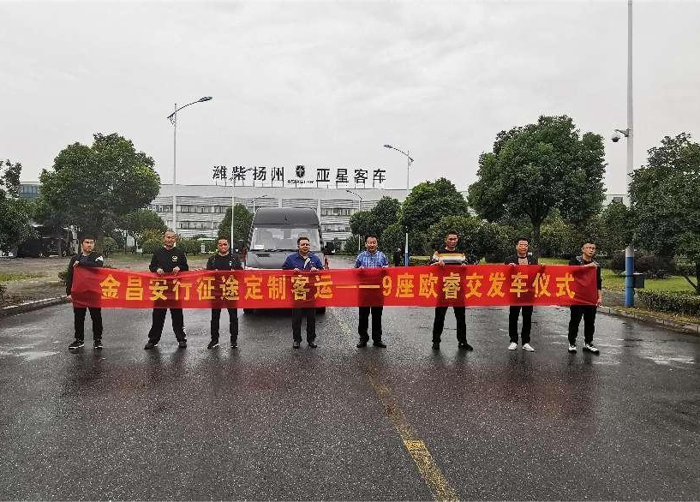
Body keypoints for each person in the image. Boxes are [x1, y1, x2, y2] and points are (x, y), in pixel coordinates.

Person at [430, 231, 477, 351]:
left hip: (458, 288)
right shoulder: (439, 253)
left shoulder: (461, 253)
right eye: (450, 239)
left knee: (461, 317)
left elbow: (467, 267)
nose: (452, 241)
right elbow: (429, 266)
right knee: (439, 316)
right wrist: (437, 263)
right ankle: (436, 341)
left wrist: (464, 267)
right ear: (446, 240)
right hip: (443, 288)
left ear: (457, 240)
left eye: (455, 239)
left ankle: (462, 341)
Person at [144, 230, 189, 350]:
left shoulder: (179, 253)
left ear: (175, 239)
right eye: (167, 237)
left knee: (177, 316)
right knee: (158, 316)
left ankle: (181, 339)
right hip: (160, 289)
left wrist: (179, 267)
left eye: (172, 238)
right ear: (164, 238)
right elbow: (151, 266)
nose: (170, 240)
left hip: (175, 288)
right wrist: (157, 268)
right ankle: (153, 340)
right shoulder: (158, 253)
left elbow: (186, 267)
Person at [282, 236, 324, 349]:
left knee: (311, 318)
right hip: (297, 292)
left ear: (309, 246)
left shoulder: (315, 258)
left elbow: (323, 272)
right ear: (298, 246)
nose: (305, 246)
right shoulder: (291, 259)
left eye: (307, 244)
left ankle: (311, 339)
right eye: (303, 244)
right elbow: (283, 272)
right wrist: (292, 272)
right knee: (296, 318)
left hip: (311, 293)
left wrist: (317, 271)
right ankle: (296, 340)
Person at [66, 235, 104, 351]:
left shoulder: (98, 257)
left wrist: (81, 264)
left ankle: (97, 340)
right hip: (79, 293)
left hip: (94, 293)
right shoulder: (75, 258)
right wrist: (68, 292)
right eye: (87, 242)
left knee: (96, 317)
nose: (89, 245)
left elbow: (98, 267)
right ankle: (79, 340)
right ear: (82, 244)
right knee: (78, 317)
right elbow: (70, 276)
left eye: (91, 242)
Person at [206, 237, 243, 349]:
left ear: (228, 245)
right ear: (217, 246)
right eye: (220, 244)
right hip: (216, 291)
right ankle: (214, 340)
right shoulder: (212, 259)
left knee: (233, 317)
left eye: (225, 244)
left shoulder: (235, 258)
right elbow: (207, 274)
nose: (223, 246)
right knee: (215, 317)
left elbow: (241, 272)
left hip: (231, 291)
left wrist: (235, 272)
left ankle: (233, 340)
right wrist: (213, 273)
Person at [568, 241, 603, 354]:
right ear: (583, 249)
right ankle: (572, 343)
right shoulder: (575, 261)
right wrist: (588, 266)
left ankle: (588, 343)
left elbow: (598, 282)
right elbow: (571, 272)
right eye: (588, 248)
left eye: (593, 248)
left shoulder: (596, 265)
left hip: (590, 297)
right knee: (575, 321)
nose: (591, 250)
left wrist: (599, 297)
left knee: (590, 321)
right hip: (577, 296)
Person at [354, 235, 389, 348]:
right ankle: (363, 338)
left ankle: (377, 339)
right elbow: (353, 272)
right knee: (363, 316)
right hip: (364, 291)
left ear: (377, 244)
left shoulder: (382, 256)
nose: (372, 245)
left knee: (377, 316)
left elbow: (388, 272)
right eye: (369, 243)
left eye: (374, 242)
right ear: (366, 244)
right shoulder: (360, 256)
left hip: (378, 291)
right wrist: (358, 270)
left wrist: (385, 270)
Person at [505, 237, 538, 352]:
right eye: (521, 245)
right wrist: (509, 268)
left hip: (528, 293)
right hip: (515, 292)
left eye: (526, 245)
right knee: (513, 316)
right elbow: (503, 275)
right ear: (516, 246)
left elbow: (536, 275)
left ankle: (526, 341)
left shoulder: (533, 260)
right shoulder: (509, 259)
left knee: (527, 317)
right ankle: (513, 340)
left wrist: (542, 269)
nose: (524, 247)